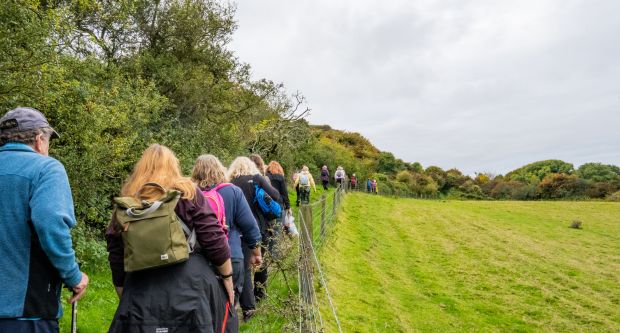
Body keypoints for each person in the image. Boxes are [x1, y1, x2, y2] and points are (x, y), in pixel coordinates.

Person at [106, 144, 235, 333]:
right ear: (174, 166)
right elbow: (214, 240)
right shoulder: (189, 194)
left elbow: (116, 252)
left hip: (141, 290)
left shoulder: (128, 203)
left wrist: (124, 293)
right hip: (191, 287)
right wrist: (227, 278)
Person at [0, 107, 89, 332]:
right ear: (40, 140)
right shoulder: (46, 169)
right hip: (25, 313)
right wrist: (73, 276)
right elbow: (50, 223)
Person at [191, 154, 263, 317]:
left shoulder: (189, 194)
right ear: (220, 169)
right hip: (232, 256)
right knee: (227, 310)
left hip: (198, 260)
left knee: (203, 311)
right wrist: (256, 253)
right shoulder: (232, 191)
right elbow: (250, 227)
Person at [227, 157, 281, 321]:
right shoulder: (257, 179)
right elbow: (276, 196)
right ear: (251, 166)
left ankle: (245, 307)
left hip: (238, 231)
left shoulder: (230, 183)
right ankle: (256, 300)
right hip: (258, 228)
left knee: (243, 269)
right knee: (259, 263)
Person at [266, 161, 291, 254]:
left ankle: (266, 251)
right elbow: (284, 193)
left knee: (268, 228)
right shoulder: (280, 177)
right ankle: (274, 254)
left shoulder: (265, 177)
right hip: (278, 205)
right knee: (277, 230)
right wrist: (288, 206)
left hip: (267, 205)